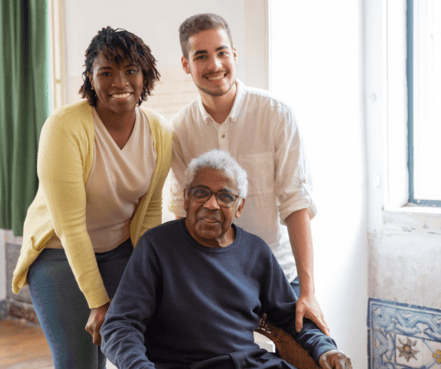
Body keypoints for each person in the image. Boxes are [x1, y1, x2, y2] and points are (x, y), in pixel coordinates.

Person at [101, 150, 351, 369]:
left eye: (225, 196)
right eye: (201, 193)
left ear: (239, 207)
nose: (211, 204)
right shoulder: (156, 246)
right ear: (186, 200)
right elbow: (119, 326)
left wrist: (325, 349)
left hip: (251, 362)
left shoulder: (256, 252)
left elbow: (290, 317)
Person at [12, 27, 172, 369]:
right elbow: (70, 227)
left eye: (131, 70)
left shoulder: (159, 130)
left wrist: (149, 276)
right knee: (80, 361)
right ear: (90, 77)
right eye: (107, 72)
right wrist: (98, 302)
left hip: (120, 249)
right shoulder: (64, 127)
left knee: (134, 346)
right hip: (58, 253)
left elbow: (151, 211)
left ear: (146, 76)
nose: (120, 82)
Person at [169, 13, 329, 336]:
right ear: (186, 65)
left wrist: (308, 292)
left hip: (280, 276)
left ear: (235, 55)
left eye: (222, 52)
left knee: (309, 353)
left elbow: (296, 203)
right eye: (201, 56)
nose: (215, 64)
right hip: (211, 280)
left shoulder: (277, 116)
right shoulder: (177, 131)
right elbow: (180, 212)